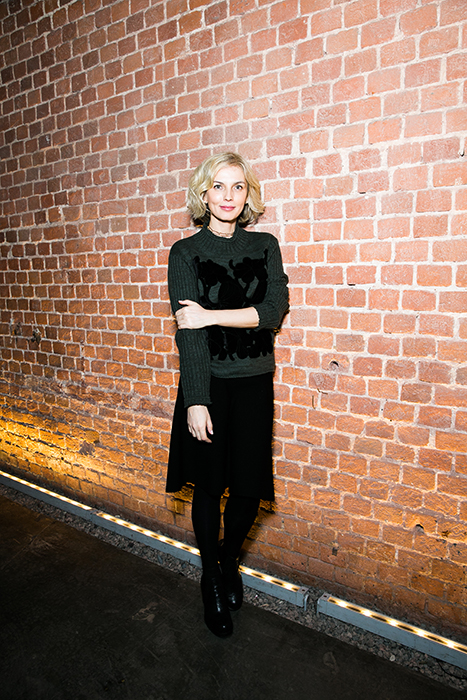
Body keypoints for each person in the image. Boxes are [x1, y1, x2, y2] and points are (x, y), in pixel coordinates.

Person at [166, 152, 289, 637]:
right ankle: (211, 579)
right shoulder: (186, 252)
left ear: (248, 194)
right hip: (209, 383)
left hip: (255, 381)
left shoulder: (264, 245)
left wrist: (211, 314)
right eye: (218, 186)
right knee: (209, 485)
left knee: (248, 488)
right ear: (203, 194)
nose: (228, 196)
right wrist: (196, 399)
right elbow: (189, 335)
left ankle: (228, 561)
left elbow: (273, 311)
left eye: (238, 187)